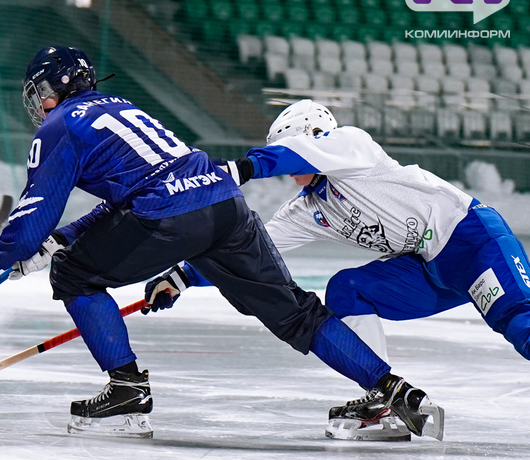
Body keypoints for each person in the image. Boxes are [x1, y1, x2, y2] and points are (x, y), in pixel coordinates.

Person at [0, 46, 443, 440]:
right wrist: (60, 239)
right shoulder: (123, 108)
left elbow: (35, 210)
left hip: (170, 217)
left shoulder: (63, 125)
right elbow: (139, 189)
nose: (37, 103)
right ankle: (394, 390)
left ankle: (127, 393)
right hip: (224, 204)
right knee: (297, 312)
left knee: (74, 275)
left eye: (38, 92)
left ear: (52, 91)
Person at [153, 98, 530, 438]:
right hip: (429, 268)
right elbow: (250, 249)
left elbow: (297, 152)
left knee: (519, 324)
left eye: (288, 150)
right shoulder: (310, 209)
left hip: (472, 241)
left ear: (315, 139)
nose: (287, 167)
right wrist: (183, 276)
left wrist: (239, 169)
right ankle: (383, 400)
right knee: (348, 288)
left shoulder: (353, 146)